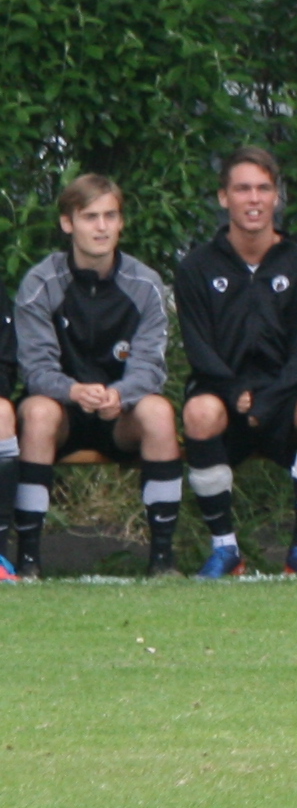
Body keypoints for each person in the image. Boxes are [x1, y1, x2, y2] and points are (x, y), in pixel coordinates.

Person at [169, 148, 297, 576]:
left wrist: (268, 401)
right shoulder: (196, 267)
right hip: (223, 395)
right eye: (243, 188)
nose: (254, 199)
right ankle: (225, 550)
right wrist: (234, 393)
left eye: (264, 189)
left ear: (276, 197)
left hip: (284, 398)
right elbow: (198, 348)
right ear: (223, 197)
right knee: (198, 412)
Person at [12, 175, 182, 576]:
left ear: (121, 223)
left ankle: (162, 561)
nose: (102, 227)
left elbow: (151, 367)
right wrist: (73, 391)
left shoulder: (146, 284)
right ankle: (29, 561)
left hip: (120, 414)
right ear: (67, 223)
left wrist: (120, 395)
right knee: (37, 412)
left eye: (110, 216)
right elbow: (35, 369)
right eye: (90, 217)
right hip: (63, 413)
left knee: (159, 412)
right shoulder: (41, 282)